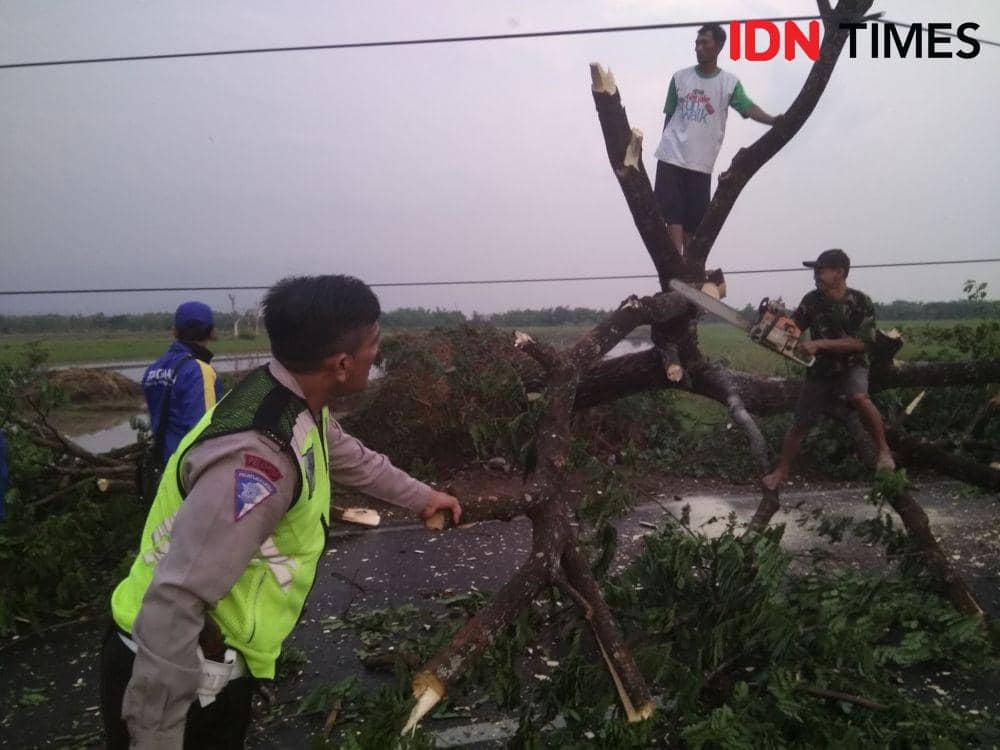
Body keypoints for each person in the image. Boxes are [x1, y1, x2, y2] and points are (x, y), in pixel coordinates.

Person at [100, 275, 463, 748]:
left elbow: (348, 455)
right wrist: (156, 737)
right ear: (341, 363)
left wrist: (421, 496)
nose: (378, 353)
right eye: (374, 342)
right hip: (171, 675)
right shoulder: (257, 465)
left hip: (207, 663)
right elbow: (175, 601)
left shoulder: (289, 398)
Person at [762, 249, 896, 492]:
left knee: (859, 397)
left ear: (839, 273)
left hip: (852, 364)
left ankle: (884, 451)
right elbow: (793, 329)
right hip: (821, 369)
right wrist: (772, 324)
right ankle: (782, 470)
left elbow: (862, 343)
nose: (816, 275)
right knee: (800, 422)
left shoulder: (860, 302)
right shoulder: (812, 300)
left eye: (821, 270)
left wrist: (819, 344)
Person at [653, 23, 779, 254]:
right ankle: (676, 265)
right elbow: (669, 116)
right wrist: (664, 147)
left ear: (718, 46)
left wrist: (772, 120)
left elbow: (748, 107)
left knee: (694, 223)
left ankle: (690, 271)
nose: (699, 48)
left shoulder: (728, 83)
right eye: (697, 43)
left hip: (700, 162)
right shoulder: (680, 78)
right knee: (672, 216)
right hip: (671, 157)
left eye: (705, 43)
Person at [142, 301, 225, 464]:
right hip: (186, 472)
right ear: (211, 332)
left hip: (160, 467)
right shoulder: (199, 371)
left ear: (175, 331)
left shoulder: (153, 369)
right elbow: (204, 434)